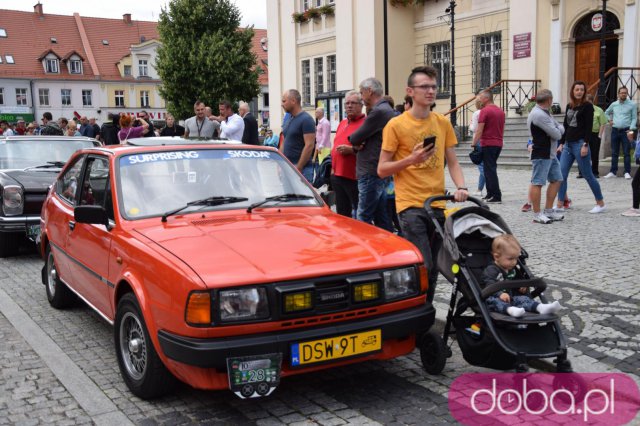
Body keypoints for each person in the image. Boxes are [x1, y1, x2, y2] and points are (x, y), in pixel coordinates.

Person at [379, 65, 468, 302]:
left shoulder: (441, 122)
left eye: (433, 87)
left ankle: (424, 311)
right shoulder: (396, 125)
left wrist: (461, 187)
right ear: (410, 91)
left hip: (437, 204)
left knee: (435, 266)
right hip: (409, 205)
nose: (430, 91)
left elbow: (453, 162)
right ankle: (411, 308)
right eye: (424, 87)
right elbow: (381, 169)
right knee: (423, 264)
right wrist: (411, 159)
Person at [349, 77, 395, 231]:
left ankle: (367, 250)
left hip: (370, 169)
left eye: (362, 93)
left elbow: (356, 137)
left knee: (363, 217)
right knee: (380, 215)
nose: (361, 98)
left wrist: (356, 140)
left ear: (370, 91)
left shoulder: (378, 111)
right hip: (377, 169)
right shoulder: (386, 109)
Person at [481, 234, 563, 318]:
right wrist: (500, 294)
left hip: (511, 298)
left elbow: (517, 279)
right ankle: (510, 310)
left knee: (524, 299)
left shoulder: (511, 268)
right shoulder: (491, 270)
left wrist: (522, 284)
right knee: (496, 302)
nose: (514, 262)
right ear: (497, 257)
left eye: (516, 258)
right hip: (493, 298)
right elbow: (489, 284)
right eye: (510, 259)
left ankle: (540, 307)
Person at [556, 81, 607, 214]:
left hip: (580, 144)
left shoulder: (587, 106)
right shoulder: (569, 106)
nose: (579, 92)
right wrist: (561, 143)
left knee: (588, 175)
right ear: (572, 91)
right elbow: (565, 126)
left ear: (584, 92)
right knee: (561, 175)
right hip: (567, 144)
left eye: (581, 90)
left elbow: (589, 127)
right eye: (577, 89)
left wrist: (585, 144)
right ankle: (561, 204)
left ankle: (600, 203)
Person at [526, 89, 565, 224]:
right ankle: (537, 214)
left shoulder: (544, 112)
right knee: (538, 183)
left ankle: (549, 210)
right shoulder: (539, 114)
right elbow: (558, 134)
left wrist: (557, 129)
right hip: (542, 153)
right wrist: (557, 129)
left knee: (557, 179)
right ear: (549, 100)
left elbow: (558, 128)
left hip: (550, 153)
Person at [331, 90, 364, 217]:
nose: (349, 106)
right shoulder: (343, 122)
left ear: (361, 105)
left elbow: (368, 149)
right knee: (342, 213)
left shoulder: (365, 123)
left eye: (353, 103)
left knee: (358, 212)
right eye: (347, 103)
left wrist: (351, 150)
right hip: (338, 175)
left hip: (354, 177)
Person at [472, 89, 505, 203]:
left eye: (481, 97)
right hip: (498, 143)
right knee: (488, 169)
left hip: (488, 143)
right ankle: (490, 193)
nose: (480, 99)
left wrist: (474, 143)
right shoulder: (500, 111)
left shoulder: (485, 111)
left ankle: (496, 196)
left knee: (490, 170)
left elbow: (479, 130)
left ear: (486, 98)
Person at [281, 89, 316, 182]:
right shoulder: (289, 119)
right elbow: (284, 141)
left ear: (293, 101)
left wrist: (299, 167)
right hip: (287, 168)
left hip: (302, 170)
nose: (282, 104)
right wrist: (280, 163)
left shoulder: (306, 119)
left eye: (284, 101)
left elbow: (309, 145)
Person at [604, 86, 637, 179]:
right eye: (622, 92)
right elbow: (606, 112)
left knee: (626, 152)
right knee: (614, 152)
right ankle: (613, 172)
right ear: (618, 94)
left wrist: (631, 129)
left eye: (625, 93)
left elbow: (634, 118)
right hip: (615, 130)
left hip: (627, 130)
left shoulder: (632, 104)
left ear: (627, 94)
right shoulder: (614, 104)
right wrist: (609, 120)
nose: (623, 94)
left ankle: (627, 172)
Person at [581, 94, 607, 178]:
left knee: (594, 154)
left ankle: (595, 172)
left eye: (588, 101)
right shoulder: (582, 109)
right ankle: (581, 172)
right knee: (582, 153)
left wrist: (599, 135)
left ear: (592, 101)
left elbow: (603, 123)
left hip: (594, 134)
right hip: (583, 134)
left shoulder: (599, 110)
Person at [469, 98, 485, 196]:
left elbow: (475, 128)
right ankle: (479, 189)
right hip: (487, 140)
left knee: (481, 166)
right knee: (484, 165)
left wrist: (470, 125)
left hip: (479, 139)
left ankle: (492, 185)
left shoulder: (477, 113)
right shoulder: (487, 112)